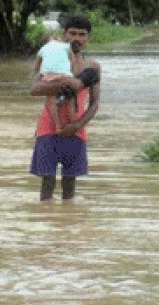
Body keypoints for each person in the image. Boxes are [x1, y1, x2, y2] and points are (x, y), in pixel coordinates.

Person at [28, 15, 101, 201]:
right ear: (64, 35)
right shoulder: (51, 60)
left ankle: (67, 224)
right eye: (72, 33)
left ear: (88, 38)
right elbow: (34, 89)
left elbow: (94, 104)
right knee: (47, 185)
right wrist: (71, 84)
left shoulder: (93, 67)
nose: (77, 38)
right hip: (48, 128)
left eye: (82, 34)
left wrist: (77, 125)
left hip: (76, 130)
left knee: (70, 186)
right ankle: (48, 223)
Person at [34, 35, 77, 131]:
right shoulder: (65, 46)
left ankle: (57, 125)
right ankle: (73, 124)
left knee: (51, 100)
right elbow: (73, 62)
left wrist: (39, 76)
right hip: (64, 75)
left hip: (49, 76)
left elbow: (36, 67)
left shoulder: (42, 49)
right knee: (70, 101)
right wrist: (73, 75)